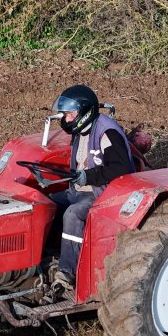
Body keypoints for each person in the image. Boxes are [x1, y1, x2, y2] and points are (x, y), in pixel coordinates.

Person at [49, 84, 136, 292]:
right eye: (65, 114)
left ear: (85, 112)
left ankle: (67, 272)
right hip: (79, 190)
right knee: (46, 202)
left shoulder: (108, 133)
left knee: (73, 214)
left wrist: (88, 176)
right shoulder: (80, 130)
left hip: (102, 193)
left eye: (70, 114)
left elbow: (121, 168)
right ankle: (51, 256)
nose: (66, 119)